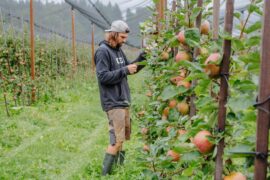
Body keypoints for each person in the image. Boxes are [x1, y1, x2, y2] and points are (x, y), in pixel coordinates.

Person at [94, 20, 146, 176]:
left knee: (121, 140)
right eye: (122, 37)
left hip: (122, 100)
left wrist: (144, 57)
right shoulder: (103, 51)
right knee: (116, 140)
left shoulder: (118, 50)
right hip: (113, 101)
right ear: (114, 34)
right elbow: (103, 77)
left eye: (125, 38)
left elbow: (130, 69)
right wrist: (124, 70)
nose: (124, 41)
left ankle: (118, 172)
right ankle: (105, 175)